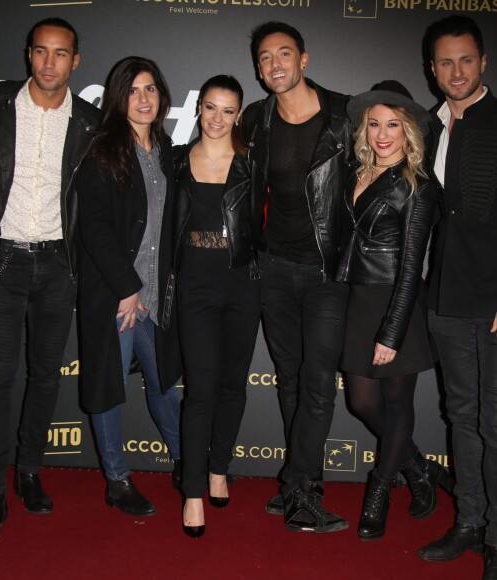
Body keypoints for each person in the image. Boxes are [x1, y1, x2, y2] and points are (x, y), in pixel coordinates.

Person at [0, 18, 98, 543]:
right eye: (41, 51)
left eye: (61, 54)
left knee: (45, 376)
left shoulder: (90, 120)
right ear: (28, 54)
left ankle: (29, 473)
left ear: (75, 61)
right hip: (2, 261)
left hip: (60, 264)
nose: (50, 63)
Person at [242, 21, 354, 532]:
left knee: (317, 381)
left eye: (284, 54)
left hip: (327, 272)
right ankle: (299, 483)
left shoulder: (345, 115)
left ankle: (300, 487)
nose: (275, 65)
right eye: (265, 58)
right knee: (289, 377)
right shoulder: (255, 119)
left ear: (304, 59)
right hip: (273, 267)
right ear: (259, 69)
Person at [338, 80, 452, 540]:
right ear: (364, 129)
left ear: (408, 132)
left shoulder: (418, 187)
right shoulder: (354, 172)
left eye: (393, 125)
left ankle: (380, 489)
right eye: (375, 124)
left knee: (397, 402)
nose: (383, 134)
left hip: (395, 302)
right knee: (361, 401)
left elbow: (410, 268)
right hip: (357, 300)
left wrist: (392, 332)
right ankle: (419, 469)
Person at [75, 56, 182, 518]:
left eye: (151, 89)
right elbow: (94, 228)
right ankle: (117, 480)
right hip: (118, 295)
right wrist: (126, 286)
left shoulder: (167, 149)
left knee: (164, 386)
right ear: (119, 97)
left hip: (157, 295)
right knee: (108, 386)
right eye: (134, 90)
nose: (144, 99)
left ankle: (187, 463)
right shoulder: (103, 150)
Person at [418, 16, 497, 579]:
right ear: (432, 70)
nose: (456, 71)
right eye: (445, 62)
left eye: (465, 60)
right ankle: (471, 521)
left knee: (495, 421)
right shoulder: (431, 126)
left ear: (484, 63)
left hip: (492, 301)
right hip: (444, 297)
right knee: (461, 415)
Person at [173, 75, 260, 539]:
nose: (217, 119)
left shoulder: (251, 164)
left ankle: (219, 468)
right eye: (210, 107)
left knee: (232, 384)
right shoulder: (176, 162)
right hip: (195, 285)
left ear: (239, 115)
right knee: (201, 389)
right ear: (199, 108)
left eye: (228, 111)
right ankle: (191, 492)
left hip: (242, 284)